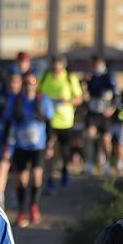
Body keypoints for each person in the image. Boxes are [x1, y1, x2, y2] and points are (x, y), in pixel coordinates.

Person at [0, 72, 54, 228]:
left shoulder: (43, 100)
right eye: (27, 84)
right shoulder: (16, 101)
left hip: (38, 146)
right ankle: (22, 211)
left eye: (32, 84)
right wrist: (6, 146)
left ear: (36, 85)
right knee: (21, 179)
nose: (30, 87)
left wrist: (50, 143)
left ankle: (34, 206)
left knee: (37, 176)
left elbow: (49, 123)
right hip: (20, 146)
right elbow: (9, 123)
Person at [38, 55, 82, 194]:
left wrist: (67, 101)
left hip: (65, 121)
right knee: (49, 152)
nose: (56, 69)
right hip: (49, 121)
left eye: (59, 66)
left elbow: (79, 98)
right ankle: (49, 181)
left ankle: (64, 169)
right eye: (54, 66)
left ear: (63, 66)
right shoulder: (45, 77)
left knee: (64, 152)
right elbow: (37, 94)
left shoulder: (70, 78)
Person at [0, 71, 23, 210]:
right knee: (3, 164)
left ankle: (15, 193)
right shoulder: (1, 96)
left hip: (21, 137)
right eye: (11, 81)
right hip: (4, 137)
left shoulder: (24, 97)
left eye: (16, 81)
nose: (13, 84)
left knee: (17, 168)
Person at [83, 55, 118, 176]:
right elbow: (83, 91)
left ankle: (106, 165)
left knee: (106, 140)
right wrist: (84, 81)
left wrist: (112, 108)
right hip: (92, 112)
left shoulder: (108, 76)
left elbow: (116, 94)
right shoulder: (90, 76)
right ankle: (89, 164)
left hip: (104, 113)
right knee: (90, 136)